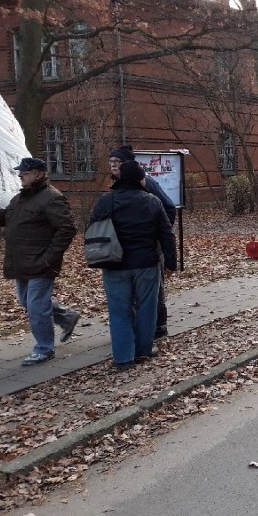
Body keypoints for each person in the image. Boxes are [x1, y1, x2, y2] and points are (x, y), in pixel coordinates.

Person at [0, 158, 79, 366]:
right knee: (28, 302)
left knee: (36, 306)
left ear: (39, 174)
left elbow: (67, 229)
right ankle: (66, 317)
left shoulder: (52, 198)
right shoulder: (20, 199)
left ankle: (44, 348)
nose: (20, 175)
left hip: (41, 263)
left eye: (25, 172)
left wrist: (49, 258)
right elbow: (5, 218)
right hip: (21, 263)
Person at [90, 160, 177, 370]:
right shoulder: (152, 201)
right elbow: (167, 233)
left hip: (115, 263)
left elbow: (93, 228)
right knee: (147, 308)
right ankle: (143, 350)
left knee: (119, 310)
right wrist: (171, 262)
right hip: (146, 263)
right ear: (139, 179)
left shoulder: (106, 201)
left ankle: (123, 358)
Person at [109, 145, 176, 340]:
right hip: (126, 247)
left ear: (127, 164)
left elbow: (169, 208)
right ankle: (138, 326)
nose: (113, 166)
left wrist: (157, 233)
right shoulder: (117, 185)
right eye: (111, 162)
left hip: (149, 245)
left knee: (155, 288)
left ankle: (159, 326)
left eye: (117, 162)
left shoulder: (147, 183)